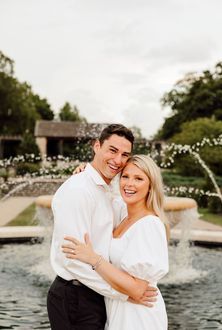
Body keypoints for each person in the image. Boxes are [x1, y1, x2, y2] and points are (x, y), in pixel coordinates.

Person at [47, 124, 158, 330]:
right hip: (76, 297)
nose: (118, 160)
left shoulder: (107, 191)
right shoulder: (78, 190)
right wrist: (125, 294)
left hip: (97, 294)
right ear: (96, 146)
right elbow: (73, 261)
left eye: (125, 154)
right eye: (112, 150)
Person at [62, 154, 169, 330]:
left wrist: (93, 259)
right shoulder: (124, 215)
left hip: (139, 315)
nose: (129, 184)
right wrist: (84, 177)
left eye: (139, 179)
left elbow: (137, 289)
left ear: (151, 186)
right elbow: (98, 194)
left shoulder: (149, 224)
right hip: (119, 309)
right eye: (125, 176)